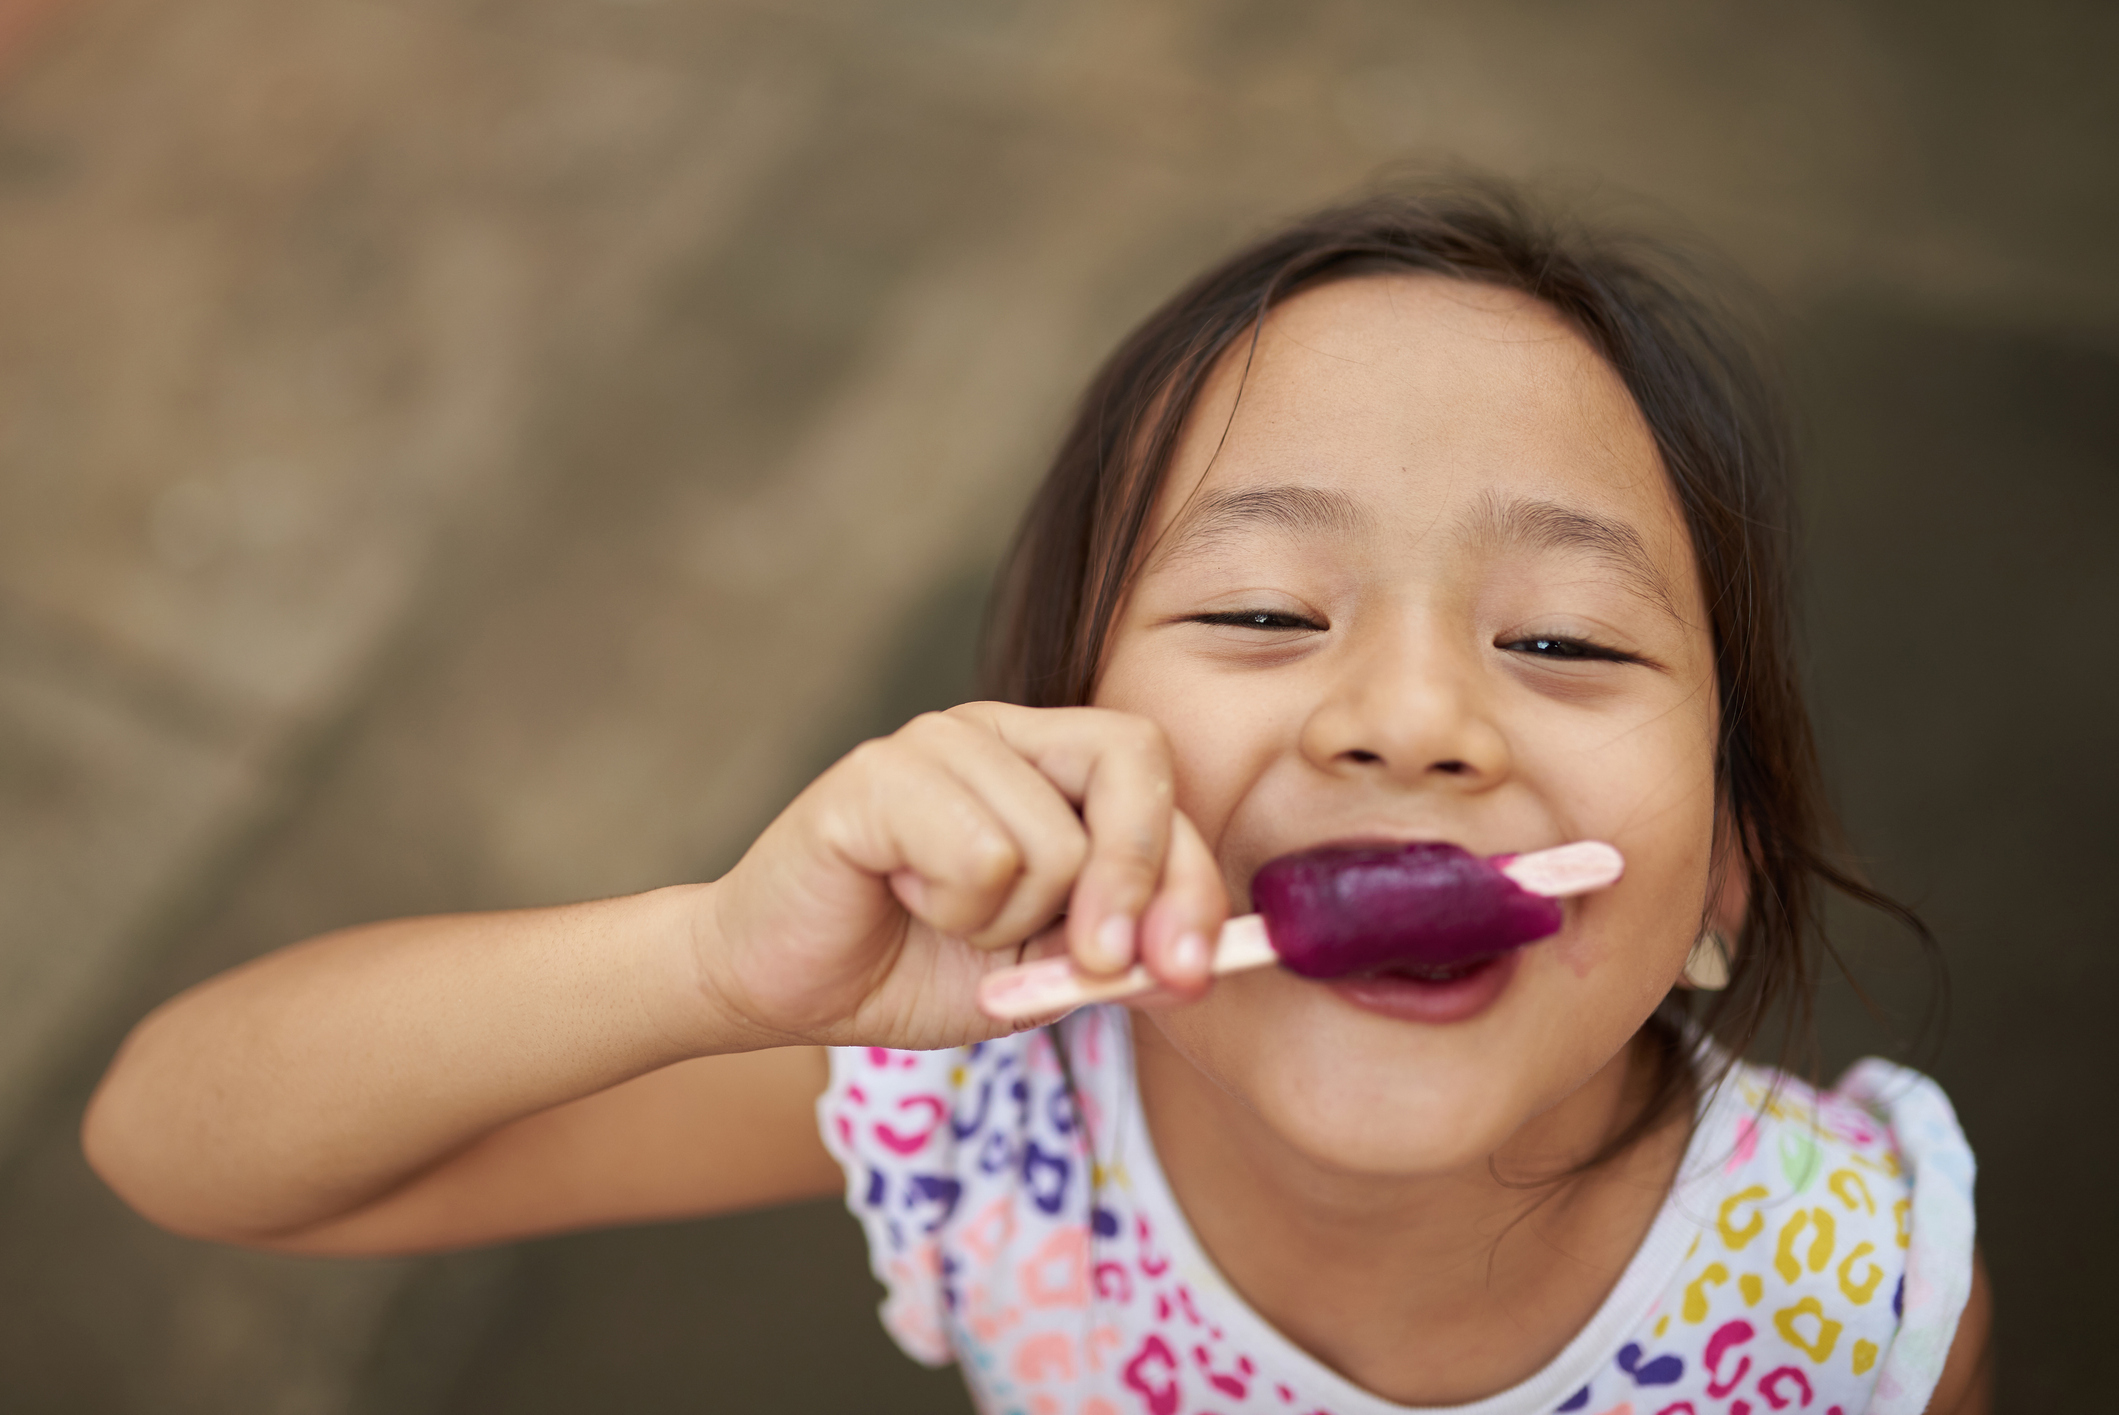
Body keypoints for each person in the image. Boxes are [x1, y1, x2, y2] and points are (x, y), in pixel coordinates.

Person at [82, 183, 1991, 1414]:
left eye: (1566, 644)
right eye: (1258, 609)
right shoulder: (987, 1087)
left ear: (1724, 864)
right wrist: (711, 967)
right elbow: (185, 1149)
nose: (1412, 719)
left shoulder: (1862, 1305)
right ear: (1069, 762)